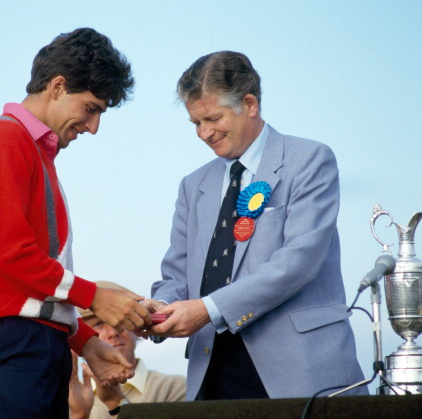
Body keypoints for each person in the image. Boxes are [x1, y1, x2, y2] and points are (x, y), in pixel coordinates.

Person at [0, 28, 151, 418]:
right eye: (92, 108)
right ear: (58, 86)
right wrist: (94, 296)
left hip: (33, 344)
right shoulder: (3, 141)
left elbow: (35, 288)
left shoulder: (31, 150)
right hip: (7, 344)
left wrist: (87, 344)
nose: (93, 127)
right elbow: (10, 257)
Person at [144, 51, 367, 401]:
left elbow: (298, 261)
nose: (204, 133)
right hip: (212, 374)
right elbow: (176, 275)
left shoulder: (309, 160)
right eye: (195, 123)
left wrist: (207, 310)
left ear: (249, 104)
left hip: (300, 373)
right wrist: (156, 309)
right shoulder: (193, 184)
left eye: (212, 118)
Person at [69, 281, 186, 419]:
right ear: (76, 336)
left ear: (137, 327)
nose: (113, 332)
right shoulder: (69, 397)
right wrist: (79, 415)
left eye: (121, 321)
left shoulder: (174, 388)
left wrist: (115, 401)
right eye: (99, 324)